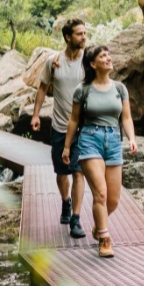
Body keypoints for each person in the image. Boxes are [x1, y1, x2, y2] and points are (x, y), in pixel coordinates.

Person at [62, 45, 137, 258]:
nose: (108, 58)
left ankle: (98, 225)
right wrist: (67, 147)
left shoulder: (120, 88)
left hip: (113, 141)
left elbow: (126, 118)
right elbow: (74, 120)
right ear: (93, 64)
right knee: (100, 193)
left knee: (112, 200)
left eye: (109, 54)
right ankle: (105, 239)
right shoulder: (83, 90)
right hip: (89, 140)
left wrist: (131, 138)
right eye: (103, 56)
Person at [32, 18, 88, 238]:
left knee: (78, 171)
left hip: (83, 129)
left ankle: (76, 218)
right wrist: (35, 114)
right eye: (79, 34)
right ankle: (65, 202)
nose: (84, 37)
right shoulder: (53, 61)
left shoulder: (88, 61)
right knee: (61, 172)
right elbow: (43, 87)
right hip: (59, 127)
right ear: (67, 37)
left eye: (85, 33)